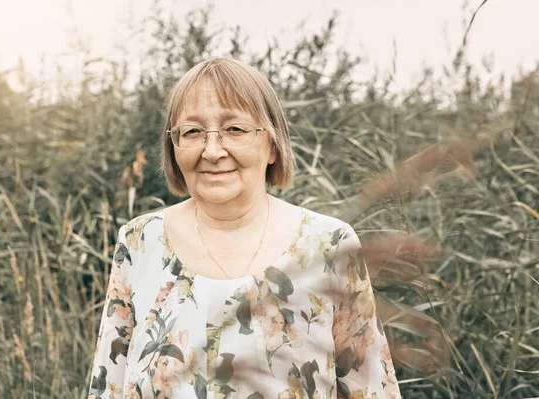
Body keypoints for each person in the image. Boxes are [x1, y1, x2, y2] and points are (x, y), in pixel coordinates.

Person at [88, 58, 401, 399]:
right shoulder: (139, 241)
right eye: (192, 132)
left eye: (234, 129)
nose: (212, 150)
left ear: (273, 144)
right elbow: (109, 384)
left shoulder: (329, 245)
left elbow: (371, 390)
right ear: (173, 147)